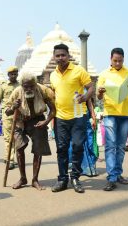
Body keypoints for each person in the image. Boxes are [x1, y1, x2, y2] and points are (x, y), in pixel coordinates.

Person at [50, 43, 94, 193]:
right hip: (60, 117)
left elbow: (91, 87)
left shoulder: (78, 70)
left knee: (77, 146)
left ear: (68, 56)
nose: (60, 58)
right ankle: (62, 179)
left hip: (78, 116)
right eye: (58, 55)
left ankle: (75, 177)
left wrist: (85, 97)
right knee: (61, 149)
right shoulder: (53, 74)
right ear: (54, 57)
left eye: (63, 55)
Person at [5, 71, 55, 190]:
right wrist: (13, 107)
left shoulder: (44, 90)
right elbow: (7, 112)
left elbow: (53, 110)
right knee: (19, 148)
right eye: (25, 86)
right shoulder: (17, 92)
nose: (28, 89)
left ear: (35, 84)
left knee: (38, 149)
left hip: (38, 120)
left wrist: (46, 122)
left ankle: (35, 179)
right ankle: (23, 178)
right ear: (22, 85)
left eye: (31, 86)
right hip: (20, 121)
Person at [97, 48, 128, 191]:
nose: (118, 63)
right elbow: (98, 97)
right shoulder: (104, 74)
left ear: (124, 59)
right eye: (115, 60)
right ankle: (111, 177)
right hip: (109, 113)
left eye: (120, 60)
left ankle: (118, 173)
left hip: (125, 114)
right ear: (110, 59)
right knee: (110, 145)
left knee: (121, 146)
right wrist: (100, 92)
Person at [0, 66, 20, 170]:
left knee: (17, 137)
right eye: (12, 74)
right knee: (8, 138)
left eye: (15, 73)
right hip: (7, 114)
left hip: (19, 115)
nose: (14, 75)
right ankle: (10, 160)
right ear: (8, 75)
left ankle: (8, 157)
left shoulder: (20, 85)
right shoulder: (3, 86)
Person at [68, 99, 98, 177]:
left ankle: (87, 167)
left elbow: (89, 103)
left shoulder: (86, 88)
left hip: (86, 118)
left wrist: (93, 117)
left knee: (89, 144)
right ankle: (85, 168)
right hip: (74, 119)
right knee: (80, 144)